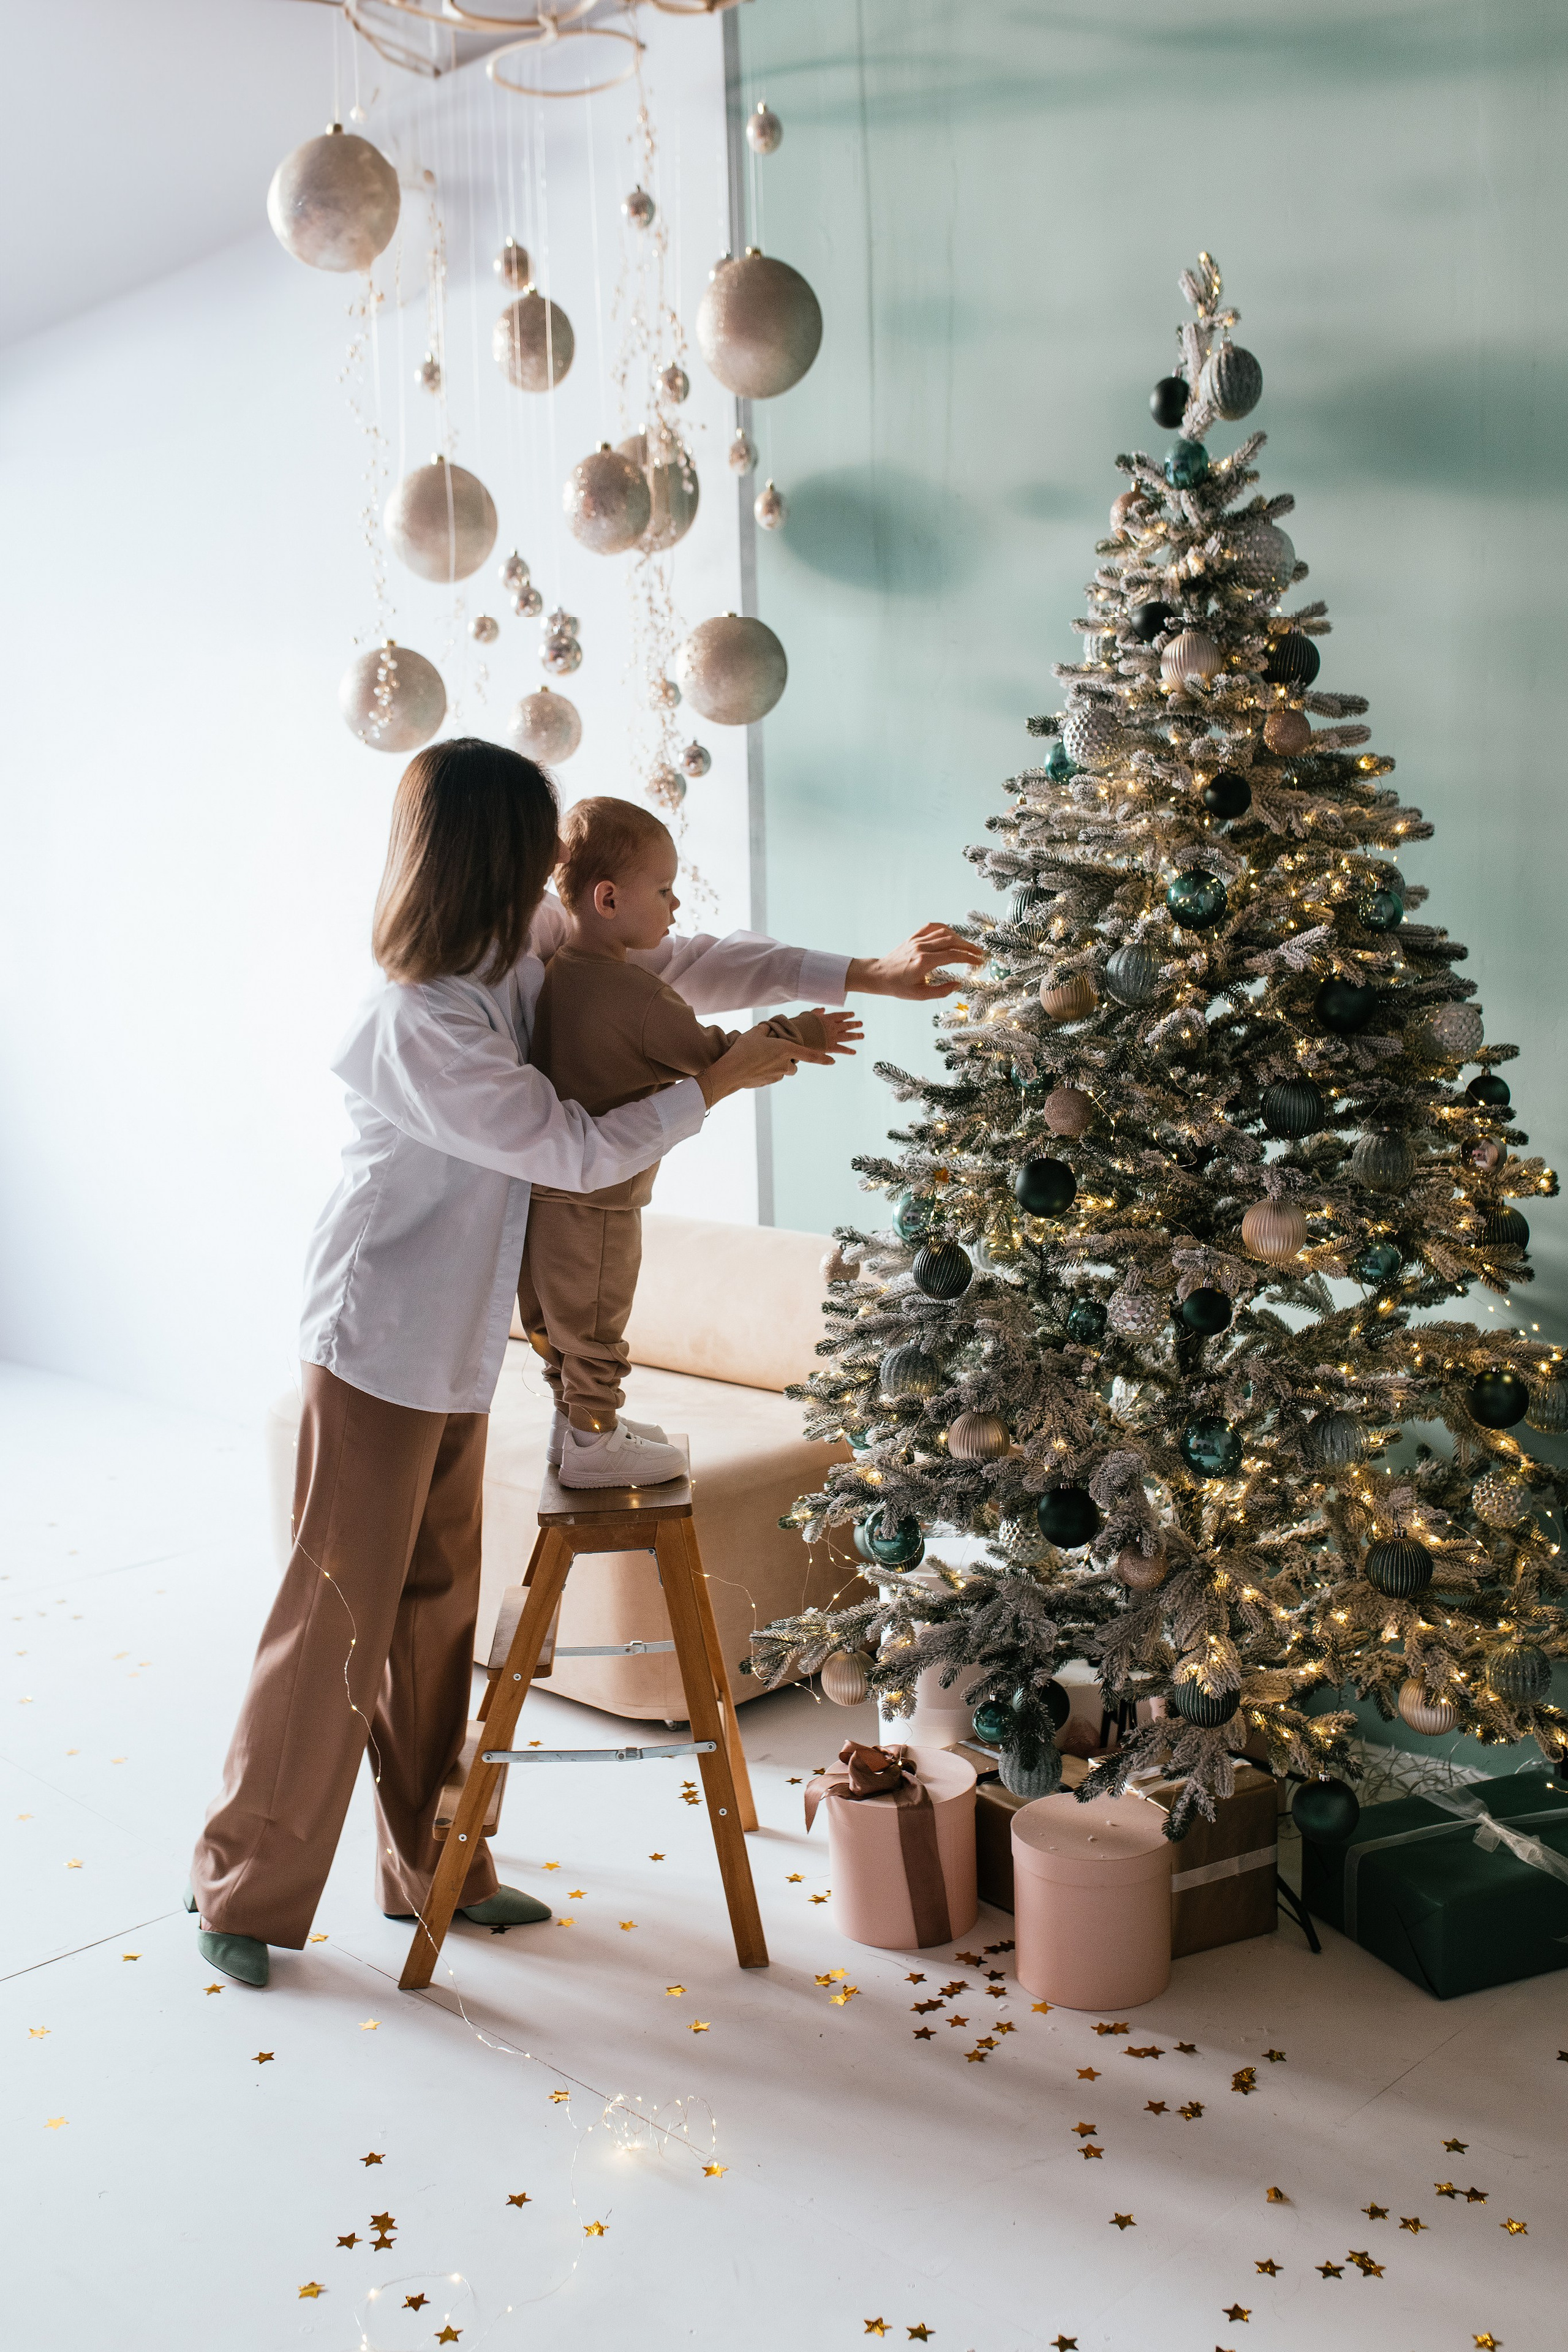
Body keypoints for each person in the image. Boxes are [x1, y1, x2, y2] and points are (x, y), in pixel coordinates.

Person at [188, 738, 982, 1988]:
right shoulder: (413, 1020)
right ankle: (240, 1885)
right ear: (491, 856)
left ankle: (436, 1869)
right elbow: (561, 1150)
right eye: (538, 846)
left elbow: (682, 956)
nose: (559, 874)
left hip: (455, 1355)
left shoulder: (523, 952)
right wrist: (719, 1084)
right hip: (376, 1344)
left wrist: (864, 974)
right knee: (335, 1619)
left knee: (438, 1623)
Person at [521, 797, 857, 1488]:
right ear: (608, 898)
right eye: (665, 889)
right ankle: (593, 1441)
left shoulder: (554, 977)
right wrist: (802, 1034)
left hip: (538, 1197)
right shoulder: (634, 995)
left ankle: (576, 1429)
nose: (676, 906)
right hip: (603, 1203)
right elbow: (716, 1055)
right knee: (597, 1320)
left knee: (557, 1323)